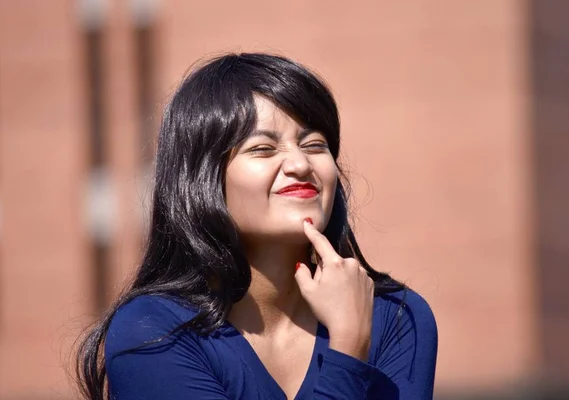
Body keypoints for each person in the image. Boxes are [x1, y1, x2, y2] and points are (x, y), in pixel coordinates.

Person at [76, 52, 438, 399]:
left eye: (314, 144)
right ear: (202, 179)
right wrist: (346, 347)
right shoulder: (154, 330)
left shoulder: (396, 318)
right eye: (263, 149)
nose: (299, 164)